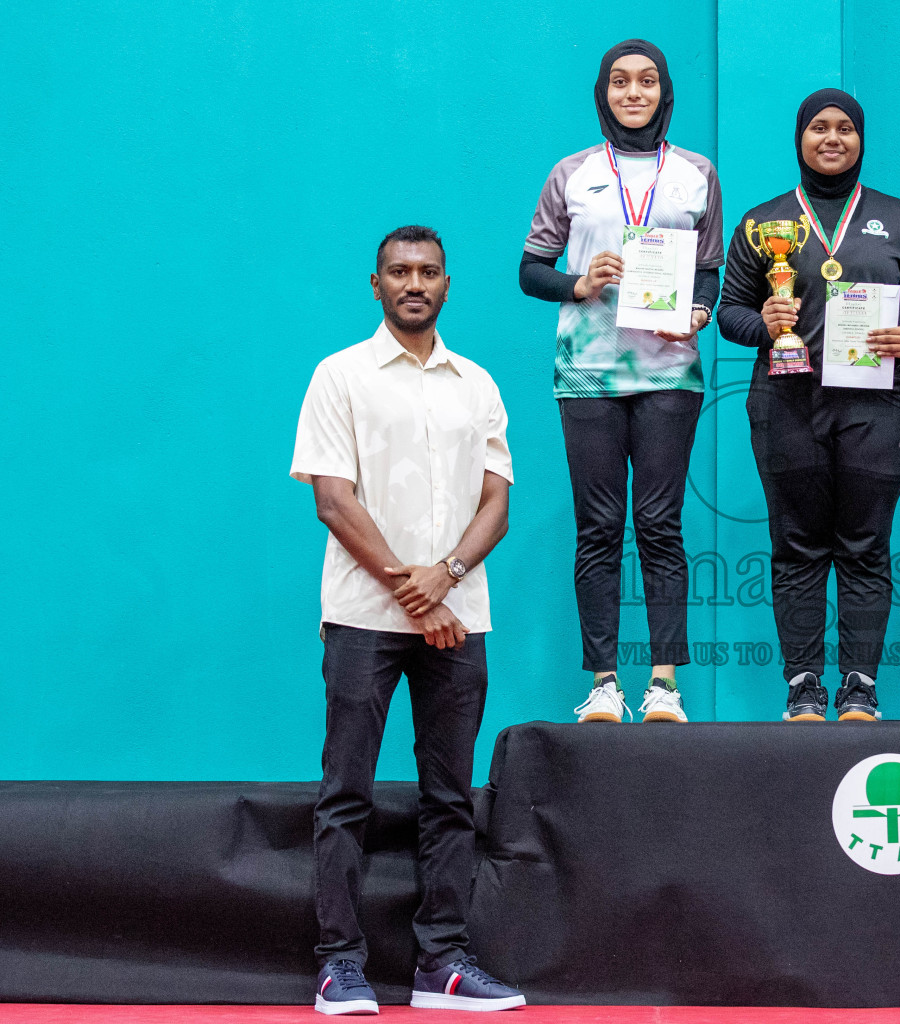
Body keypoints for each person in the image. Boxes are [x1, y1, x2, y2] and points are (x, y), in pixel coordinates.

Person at [291, 226, 523, 1013]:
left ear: (447, 286)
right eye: (399, 271)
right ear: (376, 284)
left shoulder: (478, 384)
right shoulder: (340, 376)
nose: (413, 282)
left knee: (450, 795)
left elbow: (496, 502)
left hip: (460, 615)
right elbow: (333, 499)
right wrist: (415, 596)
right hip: (364, 618)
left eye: (427, 272)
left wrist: (447, 579)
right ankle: (338, 965)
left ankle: (443, 964)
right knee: (345, 792)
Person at [717, 89, 900, 723]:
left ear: (862, 139)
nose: (832, 139)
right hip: (787, 399)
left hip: (881, 401)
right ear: (800, 138)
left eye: (845, 128)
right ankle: (804, 686)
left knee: (866, 544)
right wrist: (764, 321)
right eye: (819, 127)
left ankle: (861, 686)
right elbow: (729, 312)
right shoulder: (764, 222)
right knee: (797, 545)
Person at [521, 39, 723, 725]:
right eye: (619, 82)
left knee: (660, 525)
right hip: (587, 372)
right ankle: (605, 683)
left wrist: (698, 312)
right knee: (599, 527)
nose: (633, 93)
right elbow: (530, 270)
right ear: (603, 94)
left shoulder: (696, 173)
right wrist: (578, 281)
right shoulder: (572, 173)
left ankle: (663, 684)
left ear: (664, 92)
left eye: (646, 82)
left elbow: (710, 272)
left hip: (669, 372)